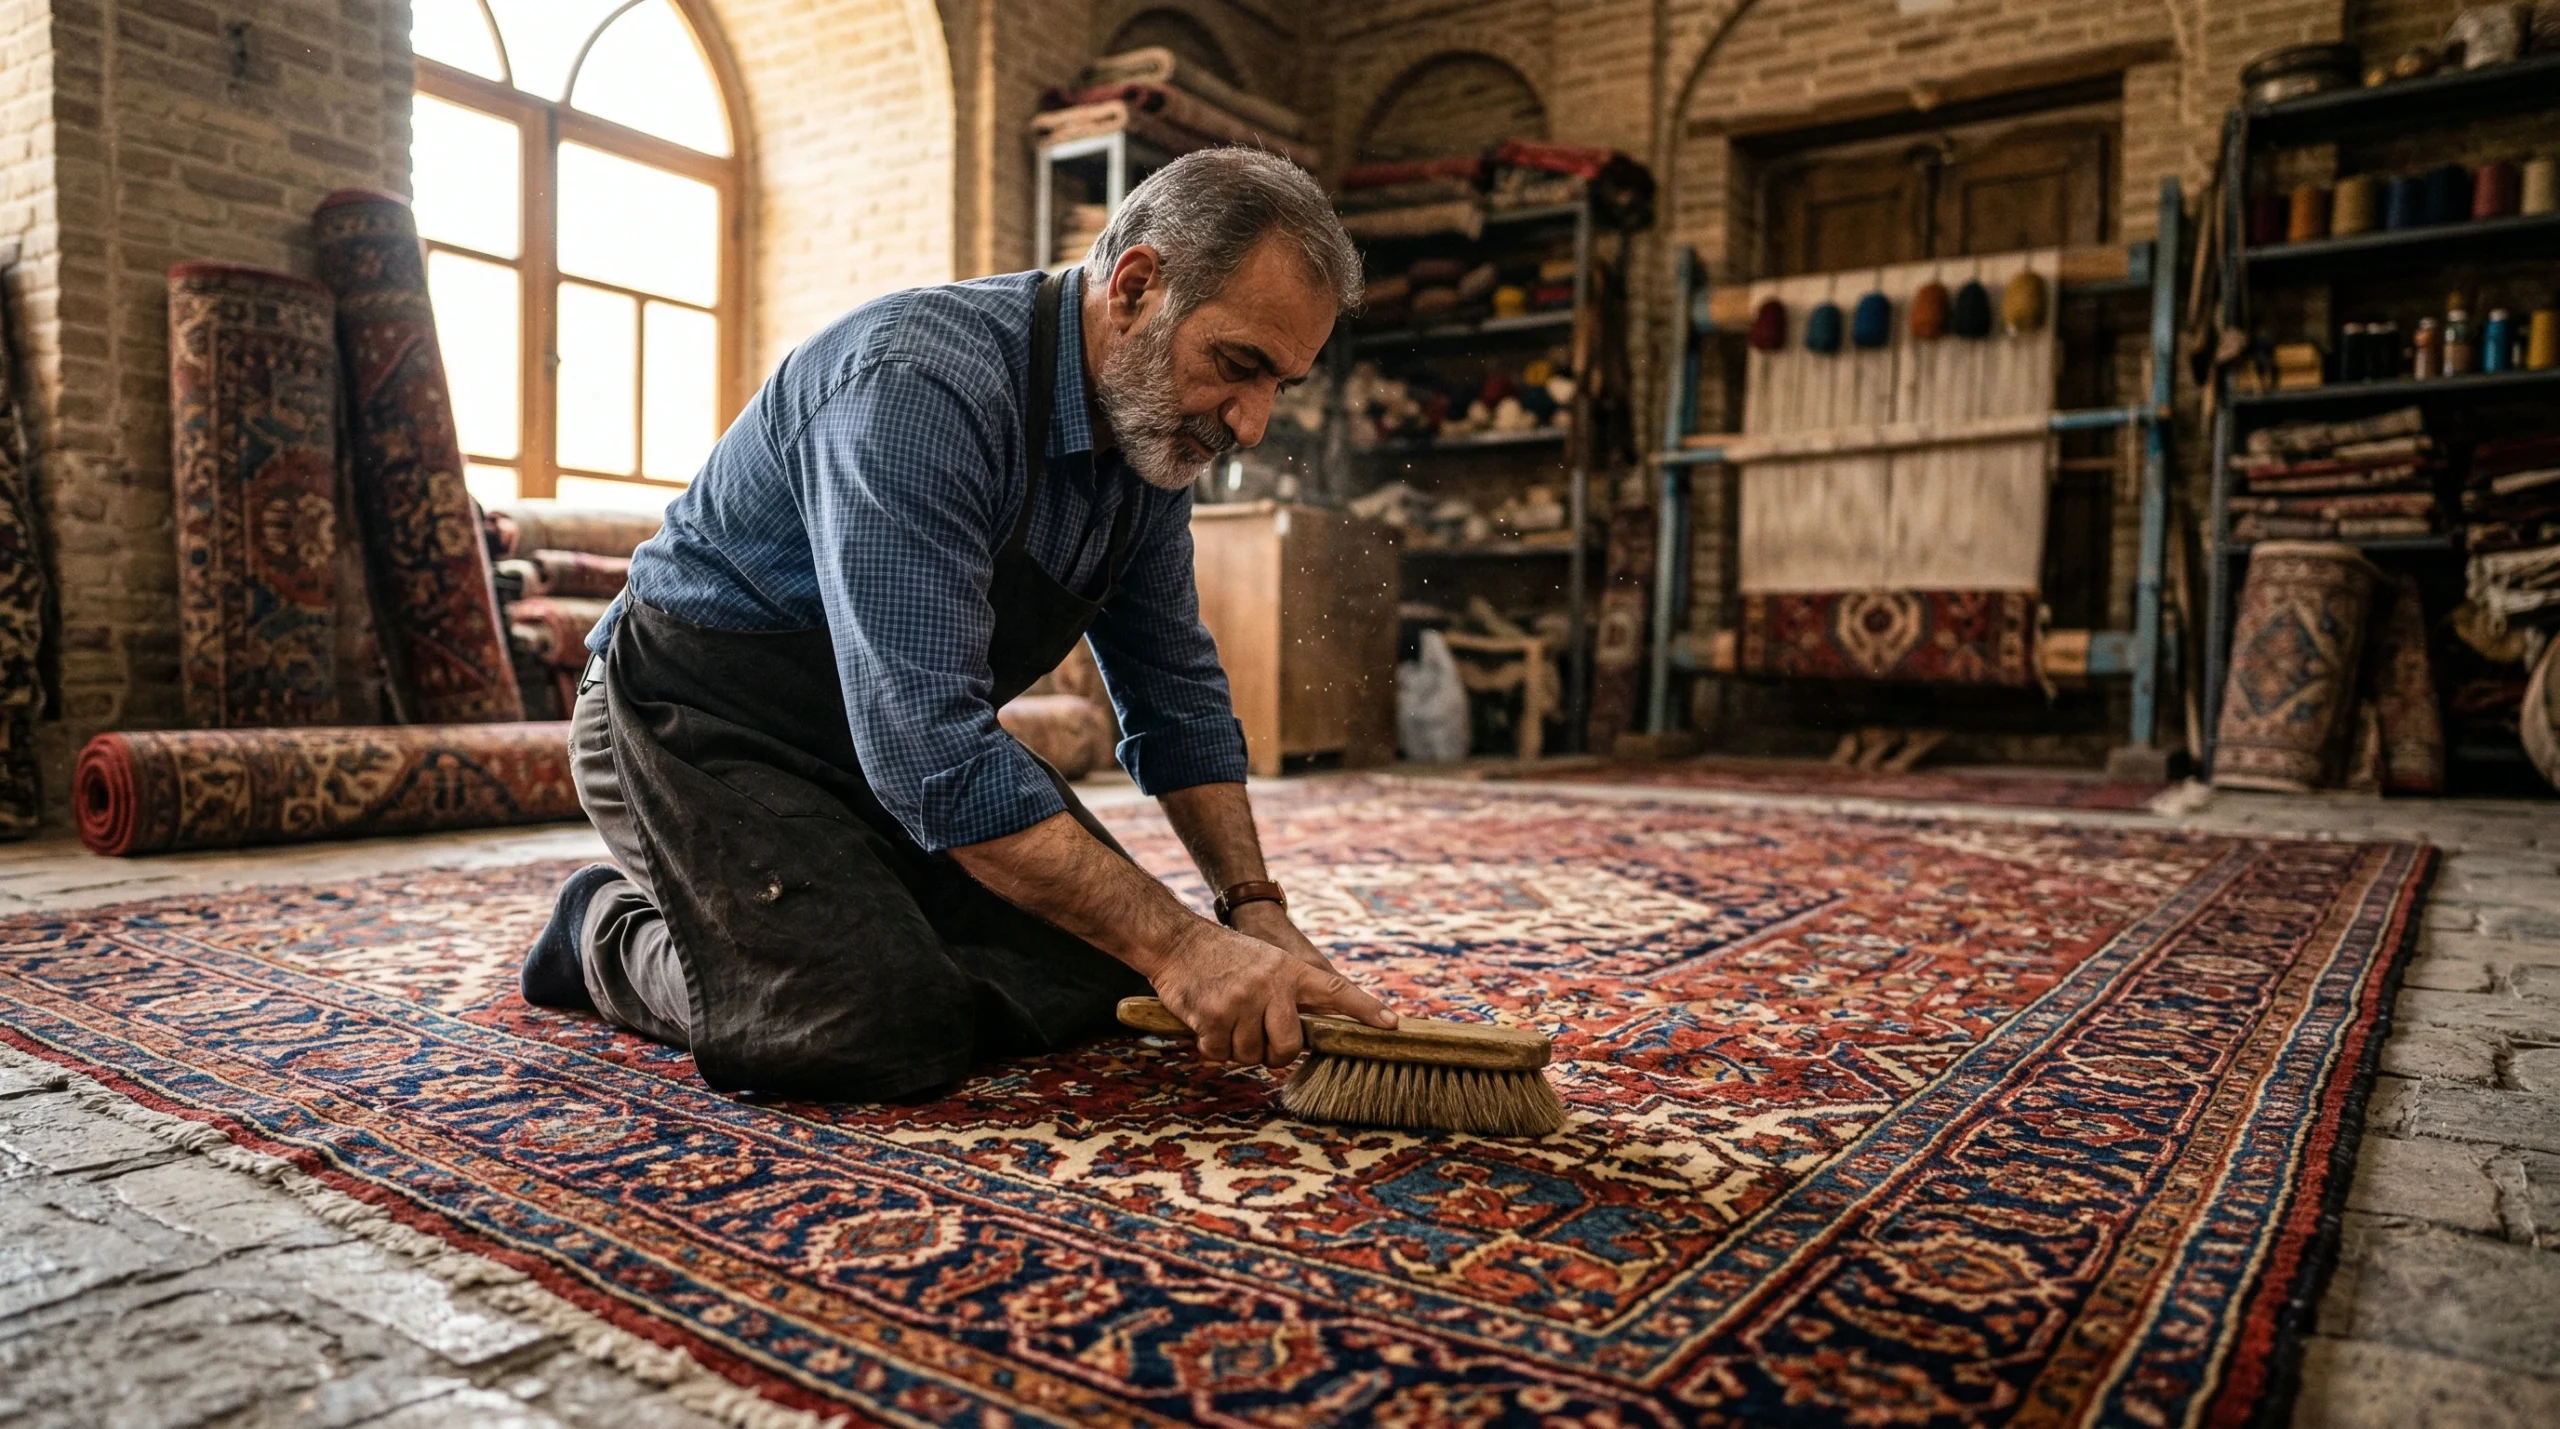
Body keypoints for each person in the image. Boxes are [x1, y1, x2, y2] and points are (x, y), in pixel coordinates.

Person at [518, 149, 1395, 1100]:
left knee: (1107, 979)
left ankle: (824, 919)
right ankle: (606, 929)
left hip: (878, 747)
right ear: (1136, 287)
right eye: (1238, 365)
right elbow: (932, 755)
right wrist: (1184, 945)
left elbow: (1174, 694)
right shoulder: (917, 386)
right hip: (689, 723)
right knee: (869, 1020)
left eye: (1279, 385)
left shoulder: (1154, 442)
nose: (1252, 424)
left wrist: (1249, 908)